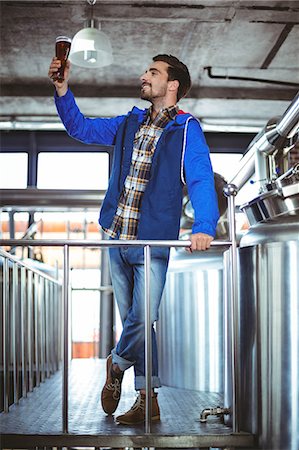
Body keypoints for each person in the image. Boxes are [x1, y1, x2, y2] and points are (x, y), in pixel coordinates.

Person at [48, 54, 219, 425]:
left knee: (142, 317)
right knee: (135, 321)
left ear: (172, 85)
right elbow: (81, 128)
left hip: (152, 242)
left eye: (153, 73)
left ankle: (116, 363)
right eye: (146, 70)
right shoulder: (129, 122)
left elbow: (202, 178)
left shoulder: (187, 129)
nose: (144, 76)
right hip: (115, 238)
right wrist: (62, 89)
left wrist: (205, 224)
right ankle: (147, 399)